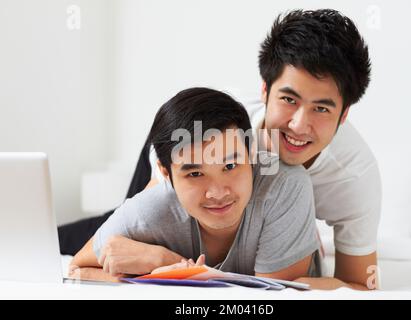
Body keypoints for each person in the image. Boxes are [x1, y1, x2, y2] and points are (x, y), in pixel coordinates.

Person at [61, 9, 381, 290]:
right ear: (265, 91)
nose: (298, 125)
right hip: (175, 147)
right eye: (289, 99)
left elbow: (358, 285)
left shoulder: (354, 177)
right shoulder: (214, 130)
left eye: (321, 109)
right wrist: (155, 256)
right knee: (101, 232)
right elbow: (160, 210)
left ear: (344, 113)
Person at [69, 87, 321, 282]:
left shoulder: (285, 188)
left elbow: (272, 300)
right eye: (195, 174)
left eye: (230, 167)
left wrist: (177, 274)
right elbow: (77, 268)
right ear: (166, 174)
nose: (218, 192)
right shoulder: (152, 208)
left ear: (251, 156)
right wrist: (159, 261)